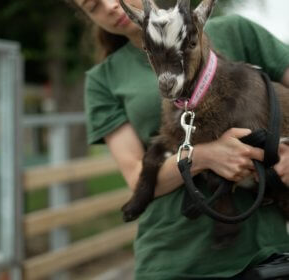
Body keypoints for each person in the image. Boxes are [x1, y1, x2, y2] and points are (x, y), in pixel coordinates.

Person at [66, 0, 289, 279]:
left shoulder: (235, 31)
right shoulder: (103, 80)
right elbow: (138, 179)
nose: (111, 6)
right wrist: (205, 156)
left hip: (263, 251)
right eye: (93, 6)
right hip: (172, 259)